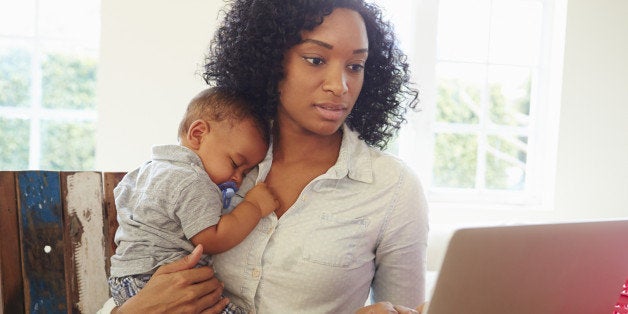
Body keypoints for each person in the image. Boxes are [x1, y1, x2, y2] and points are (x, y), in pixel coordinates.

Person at [101, 0, 429, 313]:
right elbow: (139, 260)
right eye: (316, 60)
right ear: (272, 61)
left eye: (355, 66)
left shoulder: (393, 188)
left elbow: (406, 310)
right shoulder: (213, 156)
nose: (339, 85)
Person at [107, 87, 279, 313]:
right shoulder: (193, 180)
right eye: (236, 164)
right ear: (198, 134)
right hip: (155, 281)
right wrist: (254, 207)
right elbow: (211, 238)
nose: (237, 179)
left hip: (124, 281)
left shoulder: (149, 169)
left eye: (246, 173)